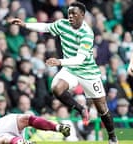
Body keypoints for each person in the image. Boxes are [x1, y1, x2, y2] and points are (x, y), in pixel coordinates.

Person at [8, 2, 118, 144]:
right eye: (69, 14)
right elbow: (46, 27)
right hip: (70, 69)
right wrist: (25, 25)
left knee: (102, 108)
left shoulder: (87, 33)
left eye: (74, 14)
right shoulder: (62, 24)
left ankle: (112, 137)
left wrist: (60, 62)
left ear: (83, 16)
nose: (71, 17)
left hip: (87, 71)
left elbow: (80, 59)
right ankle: (81, 109)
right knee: (56, 88)